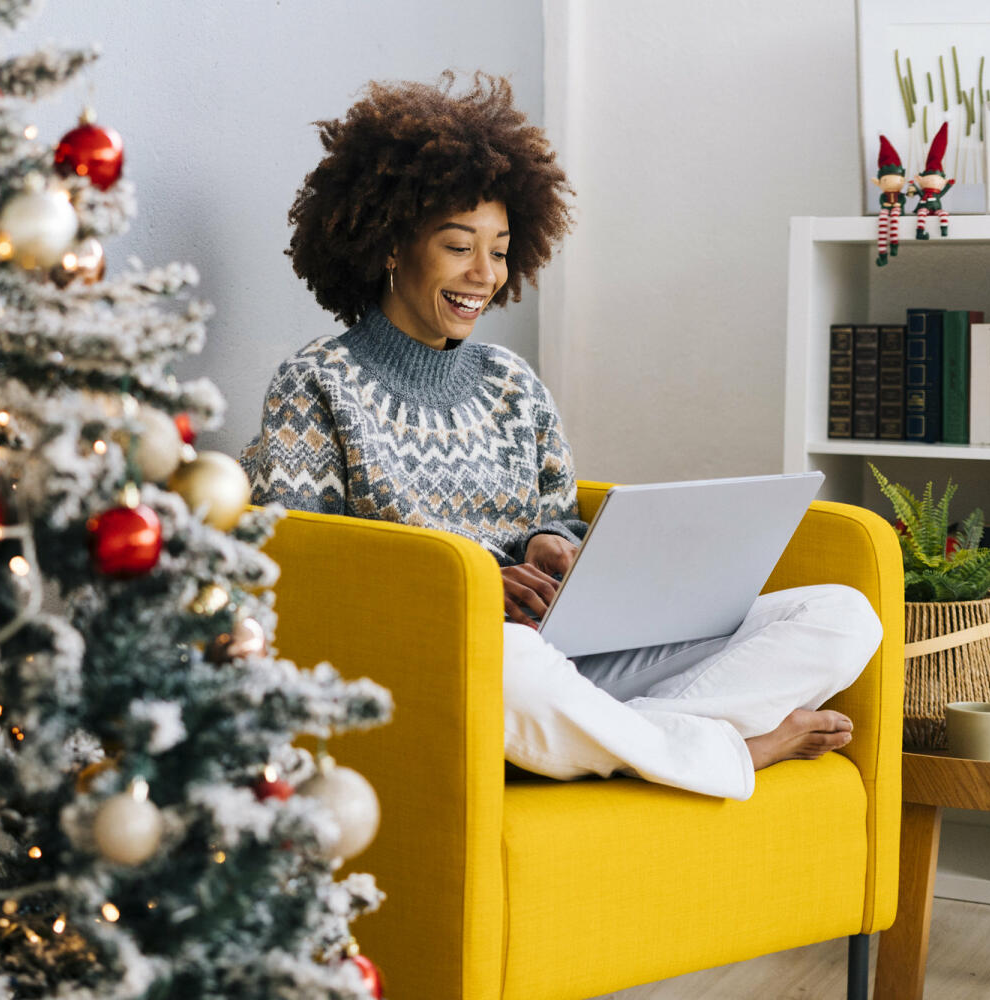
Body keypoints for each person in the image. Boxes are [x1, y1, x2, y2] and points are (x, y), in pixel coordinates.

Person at [240, 73, 883, 800]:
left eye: (501, 250)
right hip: (464, 656)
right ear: (391, 244)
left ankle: (613, 740)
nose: (484, 276)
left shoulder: (514, 383)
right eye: (458, 247)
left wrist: (554, 541)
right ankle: (731, 751)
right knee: (511, 665)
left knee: (841, 615)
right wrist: (480, 580)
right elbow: (305, 565)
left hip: (574, 651)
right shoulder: (317, 383)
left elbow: (554, 508)